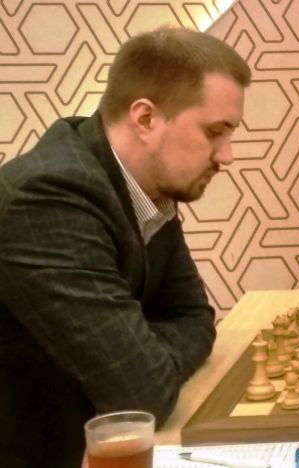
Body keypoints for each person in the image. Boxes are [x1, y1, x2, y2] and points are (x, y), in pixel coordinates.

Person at [0, 27, 250, 465]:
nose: (226, 155)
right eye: (214, 132)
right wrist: (145, 358)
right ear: (146, 118)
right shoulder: (46, 196)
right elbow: (141, 391)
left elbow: (194, 316)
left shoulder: (149, 189)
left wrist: (147, 351)